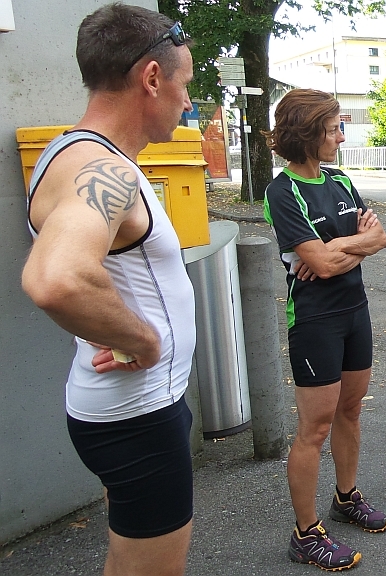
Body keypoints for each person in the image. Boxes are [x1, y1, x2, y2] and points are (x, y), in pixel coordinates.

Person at [21, 5, 196, 575]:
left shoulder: (73, 154)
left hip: (127, 411)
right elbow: (57, 279)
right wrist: (145, 341)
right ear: (151, 77)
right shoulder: (105, 171)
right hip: (138, 415)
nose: (188, 102)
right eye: (185, 85)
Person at [263, 88, 386, 571]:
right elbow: (319, 262)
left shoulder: (340, 178)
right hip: (314, 321)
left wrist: (340, 250)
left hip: (355, 310)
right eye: (334, 126)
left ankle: (346, 497)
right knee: (314, 427)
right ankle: (305, 532)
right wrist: (345, 250)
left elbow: (380, 237)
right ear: (308, 131)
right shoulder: (282, 191)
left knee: (351, 412)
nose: (341, 135)